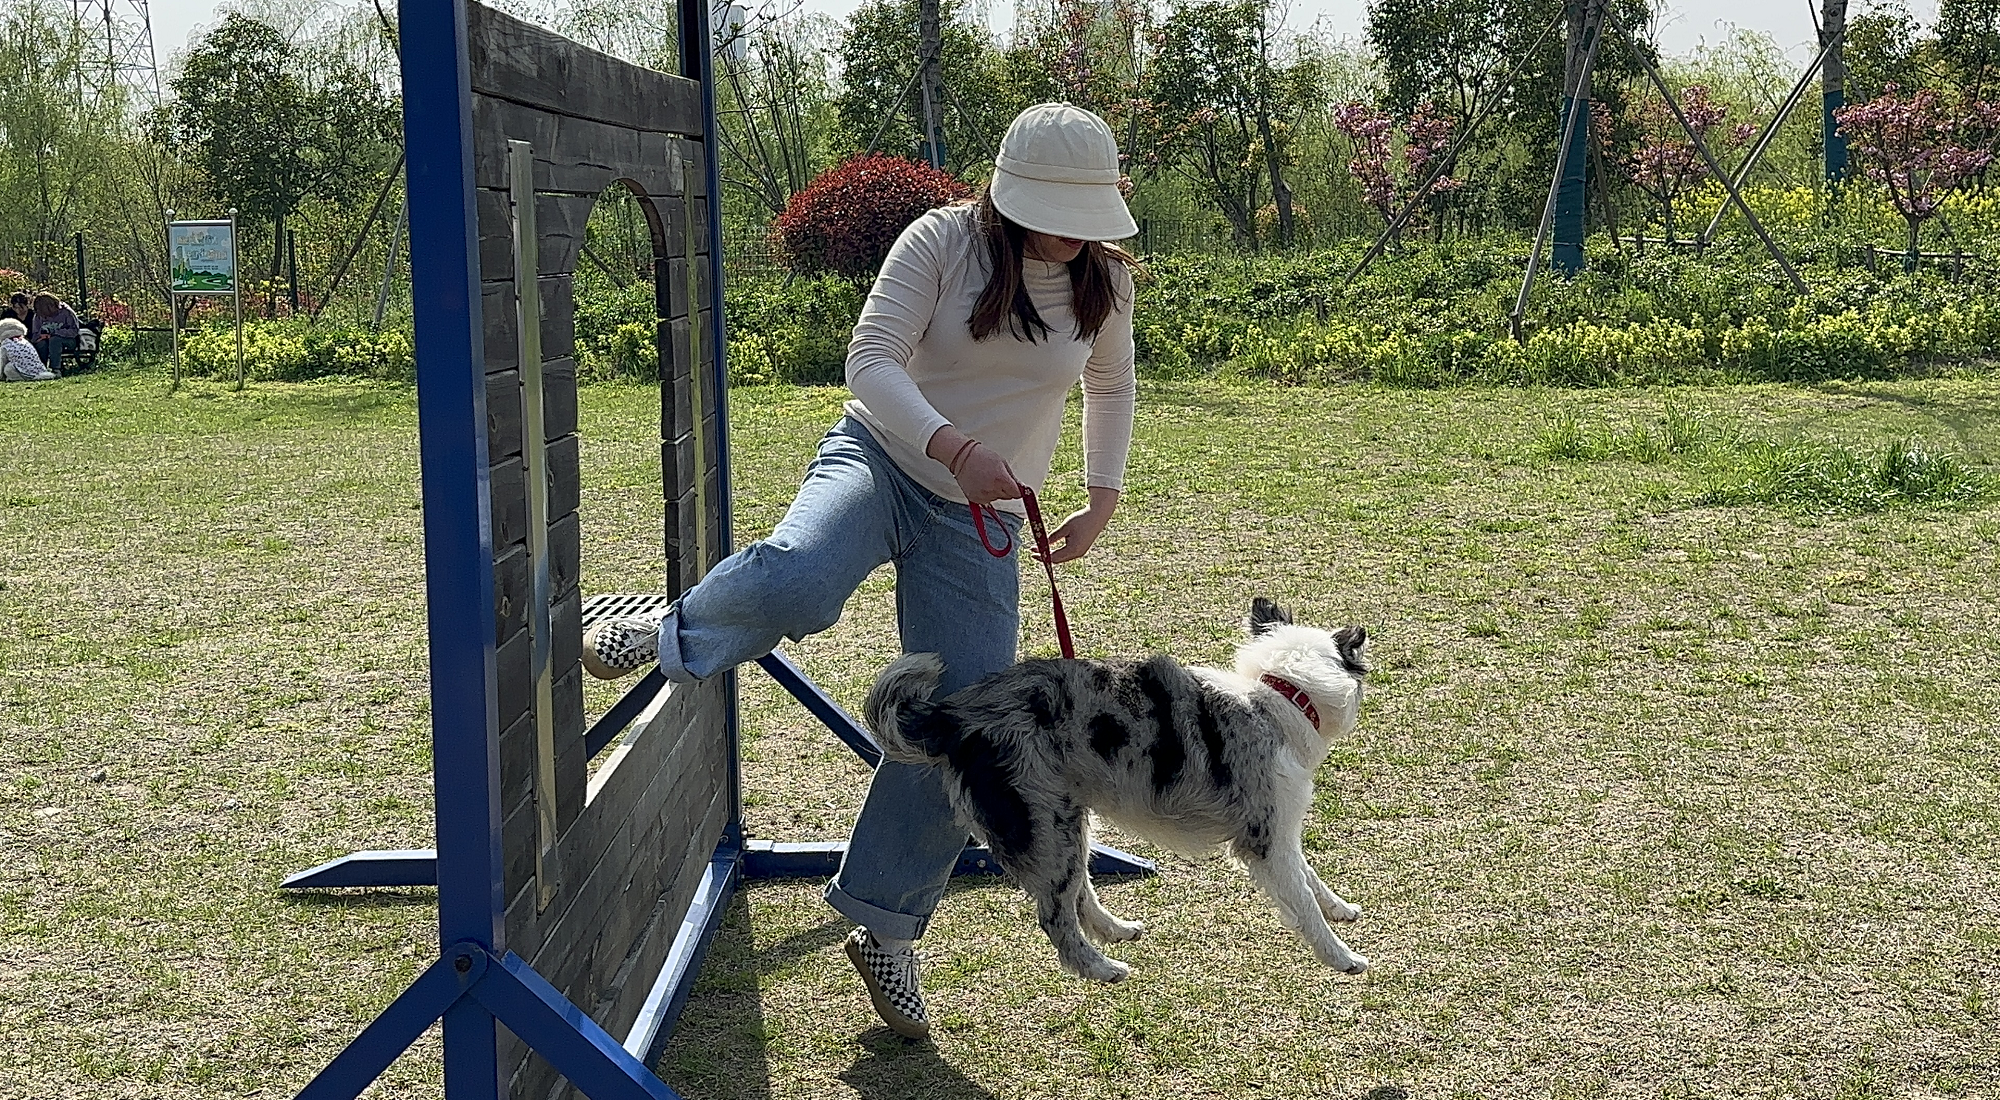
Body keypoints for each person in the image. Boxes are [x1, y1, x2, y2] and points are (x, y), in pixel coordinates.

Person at [581, 103, 1141, 1039]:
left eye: (1086, 216)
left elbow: (1111, 383)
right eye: (1055, 213)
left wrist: (1100, 499)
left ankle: (886, 926)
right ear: (1008, 196)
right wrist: (953, 446)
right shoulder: (941, 243)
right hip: (881, 459)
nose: (1072, 234)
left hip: (985, 515)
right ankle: (671, 628)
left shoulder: (1107, 282)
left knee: (960, 725)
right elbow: (871, 360)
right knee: (801, 575)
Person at [28, 293, 81, 374]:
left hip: (68, 340)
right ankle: (41, 369)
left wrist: (54, 333)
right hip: (46, 340)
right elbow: (35, 334)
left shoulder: (66, 312)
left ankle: (55, 369)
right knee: (41, 344)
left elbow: (74, 331)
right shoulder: (38, 316)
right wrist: (41, 336)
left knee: (55, 340)